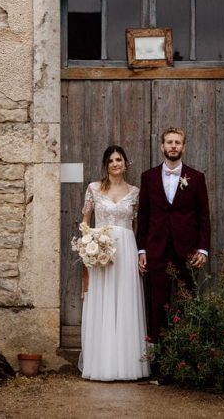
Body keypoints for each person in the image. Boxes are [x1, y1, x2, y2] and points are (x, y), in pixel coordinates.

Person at [78, 145, 150, 381]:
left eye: (119, 159)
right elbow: (86, 220)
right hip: (101, 251)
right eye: (111, 160)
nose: (115, 163)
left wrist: (138, 251)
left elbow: (138, 225)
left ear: (125, 163)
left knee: (125, 303)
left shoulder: (135, 192)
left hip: (126, 249)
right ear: (105, 165)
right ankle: (102, 364)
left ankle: (127, 364)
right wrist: (88, 246)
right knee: (103, 303)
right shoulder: (94, 189)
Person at [136, 127, 211, 341]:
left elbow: (204, 217)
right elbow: (143, 217)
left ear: (183, 147)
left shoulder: (196, 178)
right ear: (162, 146)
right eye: (169, 142)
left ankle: (185, 353)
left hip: (187, 252)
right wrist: (141, 249)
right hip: (156, 250)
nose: (173, 146)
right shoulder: (148, 177)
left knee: (187, 301)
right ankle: (158, 354)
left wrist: (203, 249)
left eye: (177, 142)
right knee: (157, 303)